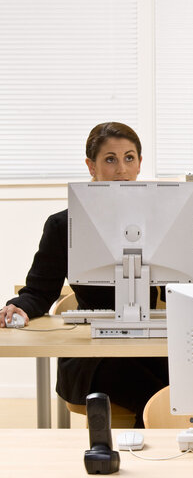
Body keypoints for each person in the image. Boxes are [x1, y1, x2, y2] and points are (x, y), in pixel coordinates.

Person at [0, 122, 168, 427]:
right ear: (91, 166)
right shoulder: (63, 226)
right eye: (110, 159)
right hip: (92, 352)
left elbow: (177, 287)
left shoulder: (163, 220)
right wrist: (20, 306)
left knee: (186, 387)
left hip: (147, 341)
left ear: (140, 164)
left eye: (130, 158)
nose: (121, 169)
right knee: (156, 395)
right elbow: (39, 290)